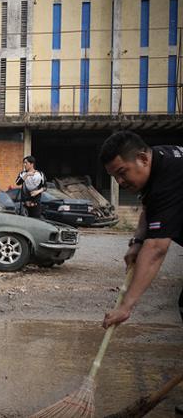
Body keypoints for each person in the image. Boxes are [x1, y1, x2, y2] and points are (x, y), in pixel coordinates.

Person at [99, 131, 183, 415]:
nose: (121, 182)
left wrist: (126, 306)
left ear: (142, 158)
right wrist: (136, 240)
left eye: (122, 173)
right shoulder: (155, 161)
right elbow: (149, 206)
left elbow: (158, 248)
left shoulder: (171, 175)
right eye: (115, 178)